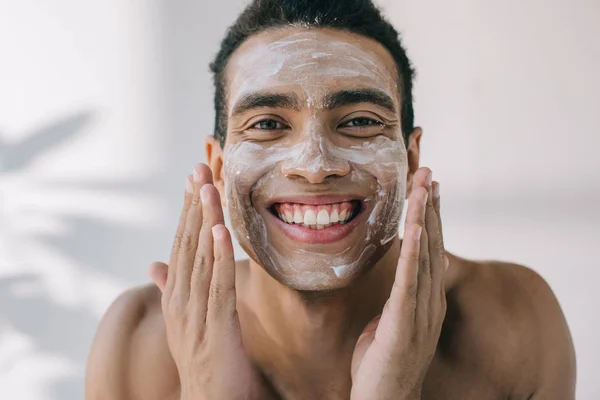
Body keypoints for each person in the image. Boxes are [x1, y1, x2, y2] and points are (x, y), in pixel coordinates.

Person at [85, 0, 576, 399]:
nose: (315, 164)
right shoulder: (136, 346)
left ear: (409, 159)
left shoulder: (514, 326)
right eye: (269, 124)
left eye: (360, 121)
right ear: (217, 167)